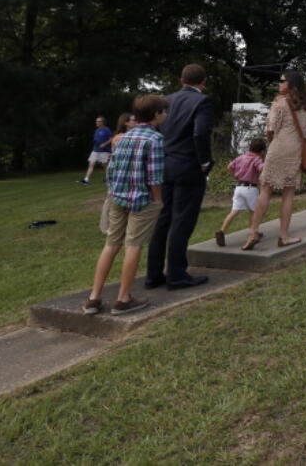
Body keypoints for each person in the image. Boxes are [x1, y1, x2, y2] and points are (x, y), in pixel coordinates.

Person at [82, 94, 167, 316]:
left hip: (117, 197)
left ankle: (94, 297)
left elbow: (112, 169)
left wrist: (112, 193)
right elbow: (154, 176)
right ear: (156, 114)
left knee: (111, 244)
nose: (166, 115)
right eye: (164, 112)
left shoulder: (121, 138)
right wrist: (158, 200)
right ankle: (123, 298)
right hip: (142, 199)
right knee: (134, 245)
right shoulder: (154, 139)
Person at [146, 64, 216, 290]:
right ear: (203, 82)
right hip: (188, 165)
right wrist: (204, 161)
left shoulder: (165, 101)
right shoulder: (202, 102)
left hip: (164, 164)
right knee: (182, 219)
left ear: (181, 80)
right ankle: (177, 274)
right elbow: (200, 132)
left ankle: (153, 273)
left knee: (163, 219)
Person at [242, 71, 306, 250]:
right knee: (289, 193)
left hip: (278, 146)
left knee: (265, 190)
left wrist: (274, 142)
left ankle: (253, 231)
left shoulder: (280, 102)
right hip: (297, 149)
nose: (279, 83)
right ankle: (284, 236)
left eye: (282, 81)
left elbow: (270, 128)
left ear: (291, 84)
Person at [214, 137, 266, 246]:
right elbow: (261, 168)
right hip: (251, 188)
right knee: (254, 212)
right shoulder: (257, 159)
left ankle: (222, 231)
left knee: (235, 211)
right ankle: (252, 233)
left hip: (239, 187)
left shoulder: (241, 157)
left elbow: (230, 166)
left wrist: (236, 176)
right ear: (262, 151)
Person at [79, 116, 113, 185]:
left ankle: (108, 178)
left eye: (98, 121)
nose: (96, 122)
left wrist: (104, 144)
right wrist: (96, 143)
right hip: (95, 150)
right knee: (91, 164)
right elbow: (95, 140)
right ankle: (86, 179)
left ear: (102, 122)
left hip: (104, 151)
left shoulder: (107, 129)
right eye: (96, 121)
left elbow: (111, 139)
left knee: (105, 165)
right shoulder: (96, 130)